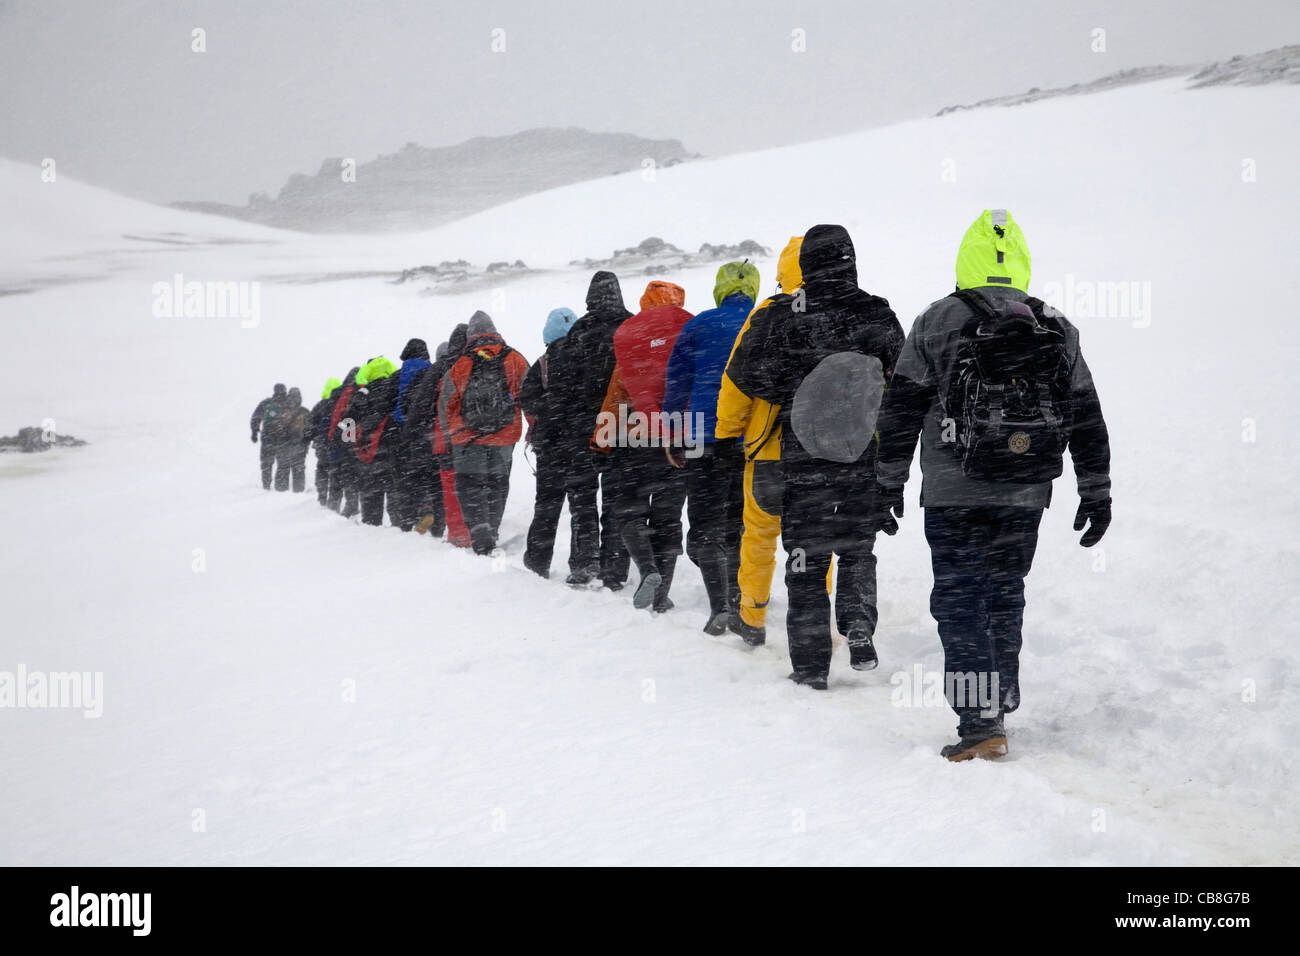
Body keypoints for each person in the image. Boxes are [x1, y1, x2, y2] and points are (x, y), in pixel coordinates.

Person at [869, 209, 1112, 761]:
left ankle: (980, 723)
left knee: (959, 598)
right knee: (1005, 591)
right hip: (1027, 490)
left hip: (954, 492)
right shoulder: (1054, 323)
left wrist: (888, 483)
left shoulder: (937, 319)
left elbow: (901, 410)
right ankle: (998, 694)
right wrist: (1095, 489)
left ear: (965, 258)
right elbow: (1086, 413)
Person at [732, 224, 904, 690]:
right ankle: (858, 624)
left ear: (805, 266)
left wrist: (795, 389)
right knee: (856, 549)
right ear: (851, 260)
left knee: (805, 561)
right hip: (861, 455)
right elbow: (902, 387)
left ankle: (810, 669)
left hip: (802, 457)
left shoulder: (783, 315)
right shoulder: (877, 312)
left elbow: (745, 373)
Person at [663, 262, 759, 633]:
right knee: (741, 522)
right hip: (752, 439)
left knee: (705, 525)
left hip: (705, 437)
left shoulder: (699, 325)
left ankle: (720, 605)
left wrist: (673, 435)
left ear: (720, 289)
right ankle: (739, 599)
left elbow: (676, 386)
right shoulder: (762, 320)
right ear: (752, 288)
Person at [716, 237, 803, 645]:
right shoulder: (841, 315)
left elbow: (736, 379)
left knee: (759, 539)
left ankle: (751, 618)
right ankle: (813, 620)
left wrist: (726, 431)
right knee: (813, 544)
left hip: (768, 449)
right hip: (823, 455)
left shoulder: (767, 315)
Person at [592, 281, 693, 611]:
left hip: (636, 439)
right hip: (679, 441)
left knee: (630, 510)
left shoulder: (634, 345)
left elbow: (617, 396)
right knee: (668, 519)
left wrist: (601, 441)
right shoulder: (689, 337)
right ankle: (661, 596)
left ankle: (647, 568)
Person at [548, 271, 633, 589]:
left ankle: (584, 561)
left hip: (581, 427)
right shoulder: (631, 327)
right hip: (620, 425)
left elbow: (561, 388)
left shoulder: (579, 331)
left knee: (582, 498)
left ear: (590, 296)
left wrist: (560, 428)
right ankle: (614, 567)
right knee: (616, 498)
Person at [438, 311, 530, 555]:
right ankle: (493, 530)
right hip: (504, 438)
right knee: (497, 485)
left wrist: (452, 434)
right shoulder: (515, 359)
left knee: (471, 485)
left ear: (470, 336)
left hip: (467, 440)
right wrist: (534, 427)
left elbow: (446, 403)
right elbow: (531, 397)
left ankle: (479, 533)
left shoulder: (460, 365)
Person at [520, 307, 601, 580]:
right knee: (584, 505)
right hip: (584, 445)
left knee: (546, 506)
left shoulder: (542, 363)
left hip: (551, 447)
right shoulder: (590, 357)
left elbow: (527, 400)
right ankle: (585, 563)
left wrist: (551, 408)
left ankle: (537, 561)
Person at [389, 338, 444, 534]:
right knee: (433, 476)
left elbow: (390, 406)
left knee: (407, 479)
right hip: (432, 432)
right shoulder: (432, 372)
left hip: (402, 435)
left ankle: (407, 521)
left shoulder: (397, 376)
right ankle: (435, 520)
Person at [349, 355, 400, 526]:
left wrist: (351, 446)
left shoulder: (361, 396)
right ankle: (400, 529)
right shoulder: (396, 391)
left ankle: (371, 528)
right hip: (394, 455)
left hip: (368, 457)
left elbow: (346, 426)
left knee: (371, 497)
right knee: (395, 495)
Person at [324, 368, 361, 516]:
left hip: (337, 438)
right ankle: (352, 504)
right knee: (350, 471)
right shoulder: (356, 393)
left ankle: (333, 506)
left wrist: (331, 436)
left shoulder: (338, 393)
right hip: (349, 434)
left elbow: (332, 417)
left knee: (336, 473)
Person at [308, 377, 341, 506]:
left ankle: (322, 495)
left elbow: (310, 424)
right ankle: (334, 500)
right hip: (335, 442)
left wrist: (313, 437)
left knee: (322, 467)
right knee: (335, 470)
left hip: (321, 443)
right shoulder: (340, 403)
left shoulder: (320, 405)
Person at [249, 383, 288, 490]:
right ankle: (281, 487)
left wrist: (254, 432)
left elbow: (255, 418)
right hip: (283, 438)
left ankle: (266, 485)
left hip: (268, 437)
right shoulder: (289, 403)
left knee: (267, 463)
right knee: (283, 463)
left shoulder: (266, 403)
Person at [277, 387, 312, 493]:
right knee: (299, 470)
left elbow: (275, 429)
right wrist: (306, 442)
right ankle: (298, 493)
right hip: (300, 446)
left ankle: (280, 493)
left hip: (283, 445)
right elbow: (310, 429)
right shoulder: (305, 411)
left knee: (283, 468)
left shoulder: (281, 410)